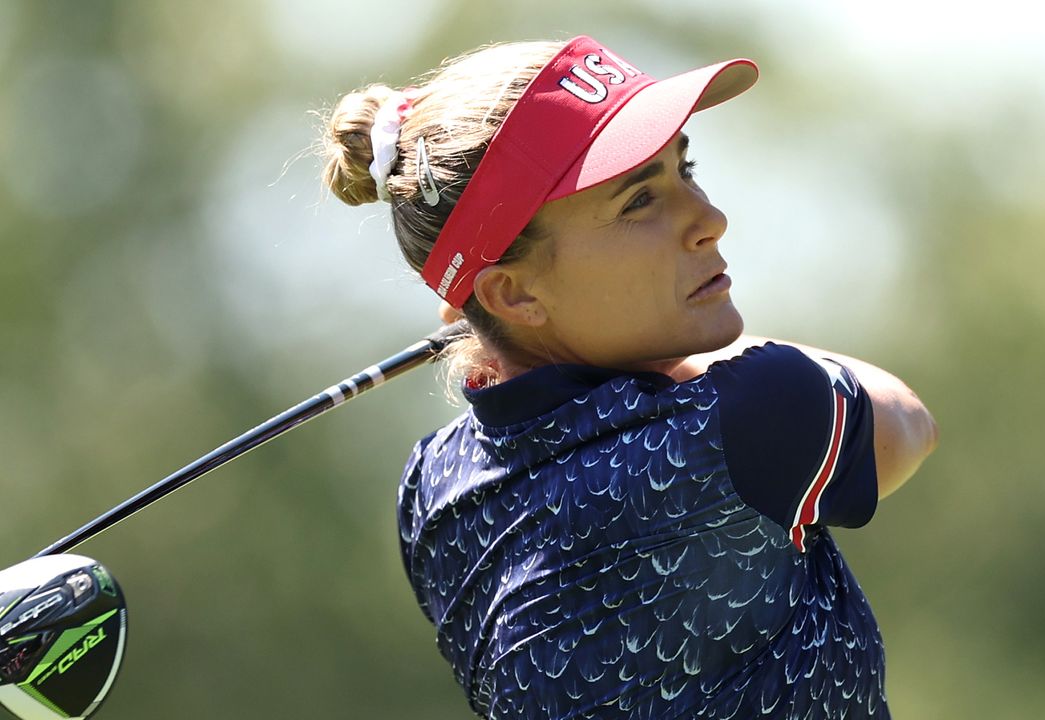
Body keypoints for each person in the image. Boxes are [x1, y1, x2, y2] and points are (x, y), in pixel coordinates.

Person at [320, 34, 937, 720]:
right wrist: (688, 359)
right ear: (514, 295)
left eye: (686, 167)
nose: (710, 219)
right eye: (640, 200)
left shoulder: (431, 489)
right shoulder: (748, 412)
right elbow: (905, 422)